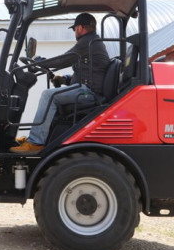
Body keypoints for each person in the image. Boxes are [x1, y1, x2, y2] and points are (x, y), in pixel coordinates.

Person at [10, 13, 110, 154]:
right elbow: (87, 73)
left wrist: (40, 61)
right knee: (53, 95)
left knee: (48, 95)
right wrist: (64, 79)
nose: (75, 32)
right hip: (87, 89)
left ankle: (35, 142)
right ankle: (39, 138)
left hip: (89, 93)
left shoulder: (88, 42)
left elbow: (62, 60)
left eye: (74, 29)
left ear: (80, 27)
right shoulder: (92, 42)